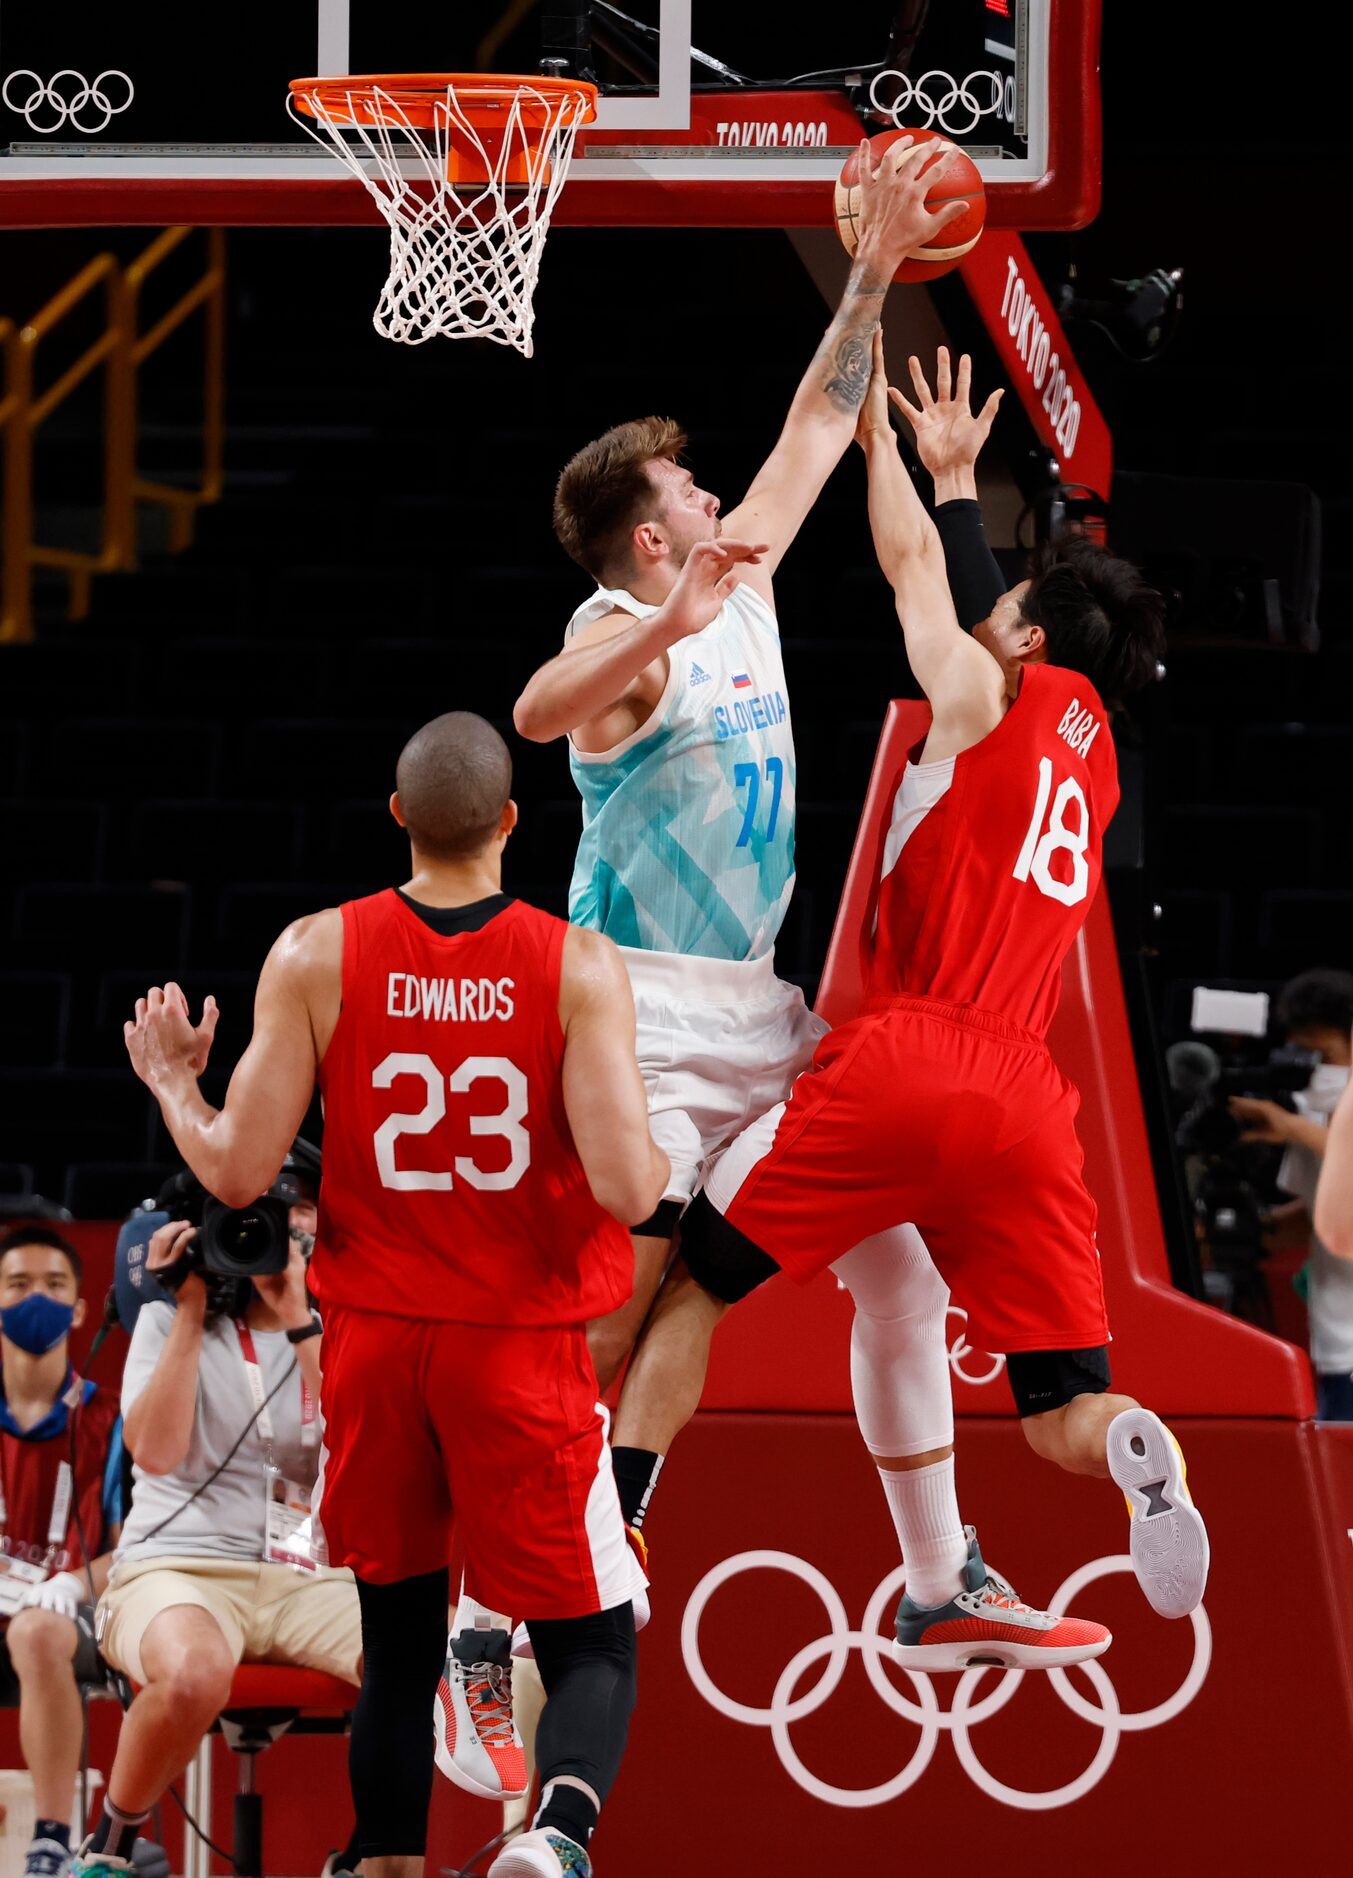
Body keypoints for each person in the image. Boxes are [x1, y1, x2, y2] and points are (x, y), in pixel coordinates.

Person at [496, 137, 1100, 1703]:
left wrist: (882, 268)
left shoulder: (739, 572)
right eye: (690, 493)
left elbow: (822, 418)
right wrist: (674, 622)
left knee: (893, 1268)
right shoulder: (626, 621)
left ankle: (935, 1576)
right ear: (649, 536)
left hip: (755, 1005)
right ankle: (527, 1604)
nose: (718, 495)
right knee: (623, 1310)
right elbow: (538, 711)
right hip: (634, 1008)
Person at [621, 332, 1211, 1652]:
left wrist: (884, 452)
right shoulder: (1098, 759)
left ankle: (622, 1503)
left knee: (694, 1288)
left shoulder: (978, 688)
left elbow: (916, 584)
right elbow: (990, 602)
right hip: (1023, 1104)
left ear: (1032, 637)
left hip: (903, 1060)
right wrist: (963, 486)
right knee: (1060, 1392)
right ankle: (1123, 1453)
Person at [122, 711, 666, 1878]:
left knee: (401, 1638)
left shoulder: (316, 950)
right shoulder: (577, 963)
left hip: (373, 1347)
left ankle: (384, 1861)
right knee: (590, 1641)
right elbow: (626, 1187)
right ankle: (556, 1838)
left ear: (398, 819)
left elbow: (237, 1173)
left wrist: (175, 1082)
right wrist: (663, 1151)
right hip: (515, 1349)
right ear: (514, 822)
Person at [74, 1173, 362, 1878]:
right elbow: (159, 1452)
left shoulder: (339, 1328)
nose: (280, 1243)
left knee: (435, 1665)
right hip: (175, 1567)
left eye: (301, 1227)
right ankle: (110, 1846)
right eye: (270, 1225)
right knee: (196, 1675)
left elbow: (363, 1451)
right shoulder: (170, 1321)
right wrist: (193, 1302)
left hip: (307, 1577)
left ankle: (367, 1858)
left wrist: (300, 1321)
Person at [0, 1226, 123, 1878]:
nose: (35, 1300)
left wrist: (74, 1583)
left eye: (53, 1287)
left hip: (65, 1618)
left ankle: (51, 1839)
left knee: (38, 1630)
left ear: (79, 1309)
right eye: (18, 1286)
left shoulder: (110, 1418)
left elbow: (130, 1550)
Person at [1231, 968, 1353, 1419]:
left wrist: (1296, 1129)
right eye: (1304, 1055)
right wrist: (1239, 1230)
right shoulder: (1313, 1118)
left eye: (1324, 1054)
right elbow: (1319, 1217)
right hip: (1335, 1346)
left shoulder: (1309, 1126)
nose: (1316, 1070)